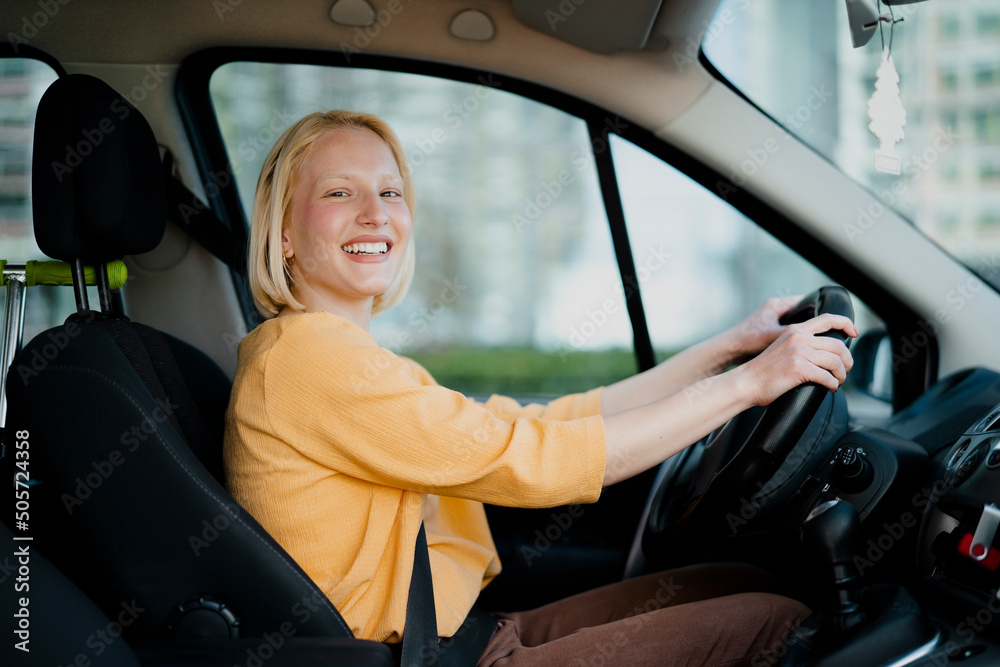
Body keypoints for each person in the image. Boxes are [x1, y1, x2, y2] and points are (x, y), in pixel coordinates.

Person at [224, 110, 857, 666]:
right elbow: (534, 460)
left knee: (729, 582)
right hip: (415, 656)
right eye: (341, 192)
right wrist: (751, 385)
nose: (376, 213)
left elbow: (553, 421)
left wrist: (729, 349)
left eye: (390, 191)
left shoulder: (345, 358)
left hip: (452, 635)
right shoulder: (308, 360)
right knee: (774, 622)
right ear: (283, 232)